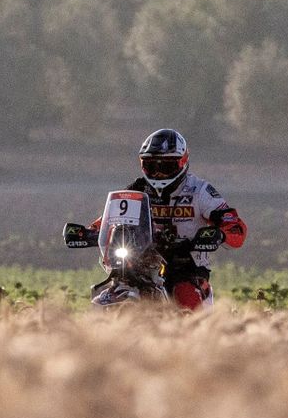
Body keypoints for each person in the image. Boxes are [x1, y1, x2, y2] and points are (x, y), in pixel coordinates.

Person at [92, 128, 247, 309]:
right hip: (140, 262)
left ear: (182, 162)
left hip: (186, 265)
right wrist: (89, 232)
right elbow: (112, 219)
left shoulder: (200, 191)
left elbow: (234, 225)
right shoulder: (137, 189)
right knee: (104, 297)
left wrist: (220, 234)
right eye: (152, 166)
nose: (158, 174)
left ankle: (196, 334)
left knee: (185, 297)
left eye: (165, 167)